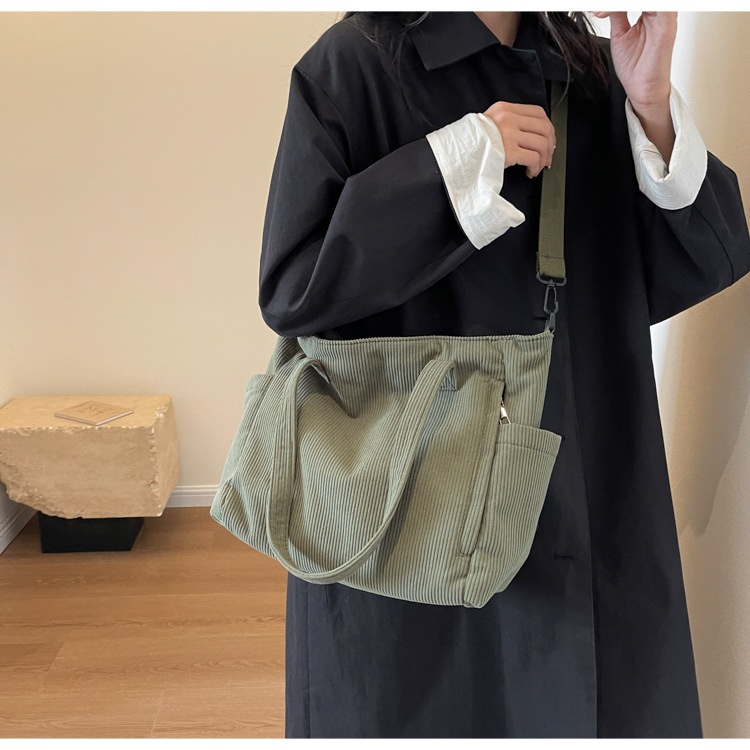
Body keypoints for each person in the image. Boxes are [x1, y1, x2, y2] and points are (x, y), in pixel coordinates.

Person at [257, 11, 750, 738]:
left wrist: (649, 105)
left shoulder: (588, 71)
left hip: (583, 476)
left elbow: (696, 261)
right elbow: (294, 287)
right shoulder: (354, 65)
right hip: (406, 514)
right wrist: (456, 165)